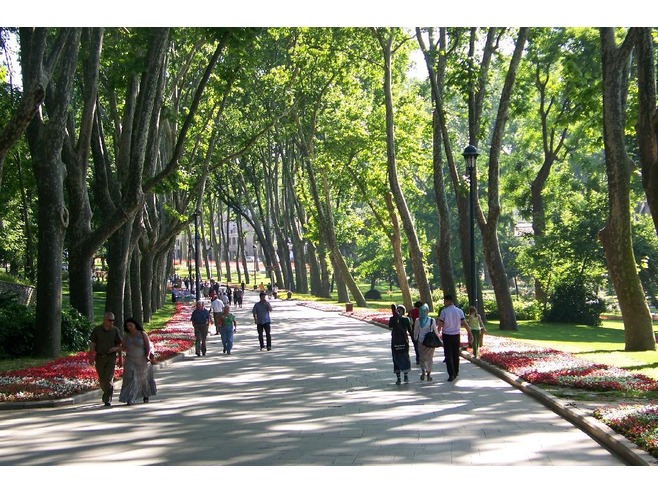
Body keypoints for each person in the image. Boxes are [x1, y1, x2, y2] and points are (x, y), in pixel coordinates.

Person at [118, 318, 157, 405]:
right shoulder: (125, 335)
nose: (129, 327)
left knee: (143, 379)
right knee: (129, 378)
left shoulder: (142, 334)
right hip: (130, 359)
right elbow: (123, 347)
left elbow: (148, 346)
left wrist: (148, 356)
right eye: (127, 326)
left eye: (131, 325)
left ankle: (145, 395)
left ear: (135, 325)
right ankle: (130, 398)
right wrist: (117, 349)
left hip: (142, 360)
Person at [88, 312, 123, 407]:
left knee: (108, 377)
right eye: (109, 320)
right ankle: (109, 390)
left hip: (111, 357)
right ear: (104, 320)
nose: (111, 322)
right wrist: (91, 356)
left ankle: (107, 399)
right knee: (102, 380)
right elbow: (92, 344)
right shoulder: (97, 330)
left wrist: (120, 359)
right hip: (99, 357)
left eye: (113, 320)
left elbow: (119, 345)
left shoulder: (115, 330)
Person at [438, 294, 473, 382]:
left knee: (448, 355)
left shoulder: (444, 312)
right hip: (456, 334)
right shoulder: (459, 311)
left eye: (445, 301)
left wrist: (437, 333)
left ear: (448, 301)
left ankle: (451, 374)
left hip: (447, 335)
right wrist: (469, 332)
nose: (444, 303)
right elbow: (464, 323)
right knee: (455, 354)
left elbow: (440, 324)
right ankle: (456, 371)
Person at [413, 303, 439, 382]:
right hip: (430, 343)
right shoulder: (432, 320)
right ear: (427, 311)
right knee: (429, 358)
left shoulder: (417, 320)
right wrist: (439, 340)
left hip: (421, 342)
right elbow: (436, 331)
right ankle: (428, 373)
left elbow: (415, 332)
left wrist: (415, 338)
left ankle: (423, 371)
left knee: (422, 358)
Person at [389, 304, 411, 385]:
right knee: (396, 358)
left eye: (400, 310)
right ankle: (398, 378)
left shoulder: (406, 319)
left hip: (404, 341)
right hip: (395, 341)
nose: (399, 312)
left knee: (405, 357)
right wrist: (395, 316)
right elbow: (390, 325)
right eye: (397, 310)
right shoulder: (393, 319)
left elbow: (410, 330)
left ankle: (406, 375)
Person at [409, 300, 423, 365]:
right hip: (422, 330)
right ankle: (422, 357)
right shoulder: (423, 312)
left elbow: (409, 321)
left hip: (414, 330)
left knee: (416, 344)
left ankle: (418, 358)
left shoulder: (411, 312)